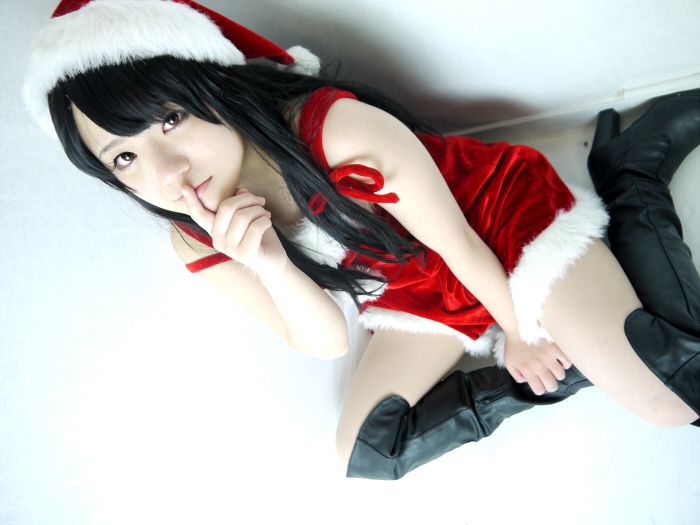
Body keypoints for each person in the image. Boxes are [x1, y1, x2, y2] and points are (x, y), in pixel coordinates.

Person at [23, 0, 699, 481]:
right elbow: (326, 342)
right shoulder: (194, 241)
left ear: (208, 86)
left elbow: (459, 242)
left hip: (494, 222)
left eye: (169, 119)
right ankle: (585, 356)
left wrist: (519, 332)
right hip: (414, 291)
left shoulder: (333, 130)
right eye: (124, 157)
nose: (165, 172)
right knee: (366, 454)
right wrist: (270, 265)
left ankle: (629, 172)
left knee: (670, 403)